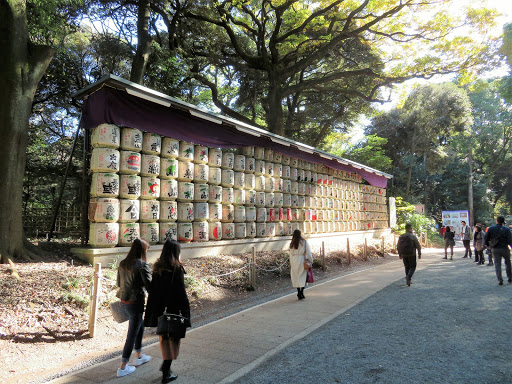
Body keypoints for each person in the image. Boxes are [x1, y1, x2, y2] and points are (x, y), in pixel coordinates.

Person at [145, 239, 191, 383]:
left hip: (160, 311)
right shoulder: (177, 270)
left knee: (165, 339)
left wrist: (152, 312)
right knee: (174, 341)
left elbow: (153, 292)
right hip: (174, 311)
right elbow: (181, 294)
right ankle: (166, 371)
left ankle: (166, 368)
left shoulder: (157, 268)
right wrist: (187, 314)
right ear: (176, 253)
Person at [116, 238, 152, 377]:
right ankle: (123, 367)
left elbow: (119, 283)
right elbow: (150, 286)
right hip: (136, 302)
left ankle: (139, 356)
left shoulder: (123, 263)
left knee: (140, 326)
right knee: (131, 334)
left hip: (124, 301)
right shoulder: (142, 265)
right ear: (142, 250)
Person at [485, 216, 512, 285]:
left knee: (497, 264)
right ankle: (510, 278)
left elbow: (486, 238)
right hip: (505, 248)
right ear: (503, 221)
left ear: (496, 221)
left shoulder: (491, 228)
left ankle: (500, 279)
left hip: (495, 248)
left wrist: (488, 245)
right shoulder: (507, 229)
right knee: (508, 263)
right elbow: (510, 240)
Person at [289, 229, 313, 300]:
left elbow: (290, 254)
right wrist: (311, 260)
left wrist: (291, 263)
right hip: (302, 260)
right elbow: (308, 252)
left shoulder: (292, 243)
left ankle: (298, 291)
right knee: (303, 277)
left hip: (294, 260)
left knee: (296, 277)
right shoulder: (304, 242)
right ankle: (301, 292)